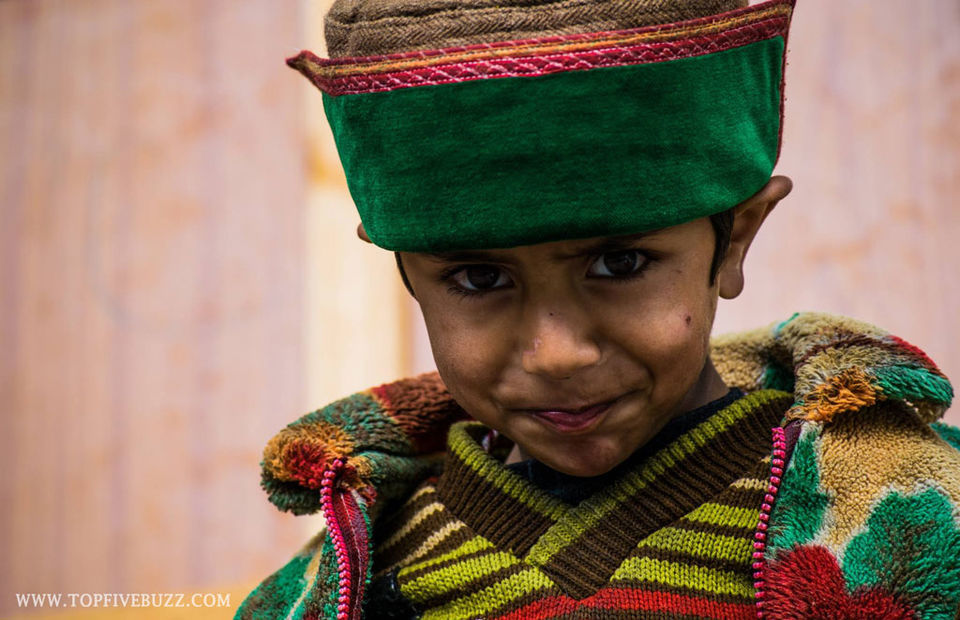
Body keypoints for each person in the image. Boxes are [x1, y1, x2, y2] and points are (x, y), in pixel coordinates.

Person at [237, 0, 960, 617]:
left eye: (619, 263)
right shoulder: (337, 584)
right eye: (479, 278)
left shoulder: (925, 520)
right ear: (406, 273)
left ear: (734, 238)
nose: (557, 353)